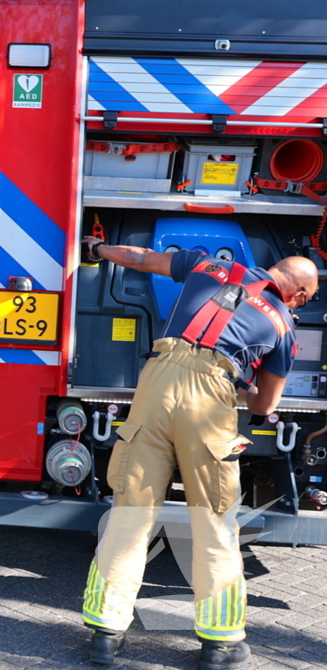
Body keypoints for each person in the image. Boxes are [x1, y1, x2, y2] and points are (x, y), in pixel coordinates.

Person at [78, 235, 317, 670]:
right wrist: (238, 385)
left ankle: (105, 635)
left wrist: (96, 250)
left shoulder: (207, 265)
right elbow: (265, 405)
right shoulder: (283, 324)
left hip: (155, 383)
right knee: (214, 522)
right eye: (306, 299)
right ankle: (219, 645)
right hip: (210, 400)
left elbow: (138, 258)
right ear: (298, 294)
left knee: (131, 513)